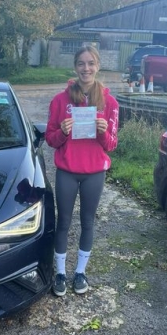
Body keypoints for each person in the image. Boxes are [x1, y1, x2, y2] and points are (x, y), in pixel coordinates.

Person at [45, 45, 119, 296]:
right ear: (75, 67)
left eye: (91, 63)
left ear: (98, 66)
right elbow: (50, 139)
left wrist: (103, 131)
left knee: (88, 221)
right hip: (67, 169)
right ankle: (60, 273)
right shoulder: (59, 100)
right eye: (81, 64)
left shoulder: (109, 102)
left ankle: (80, 272)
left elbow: (111, 145)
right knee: (63, 222)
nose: (86, 68)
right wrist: (63, 131)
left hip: (94, 172)